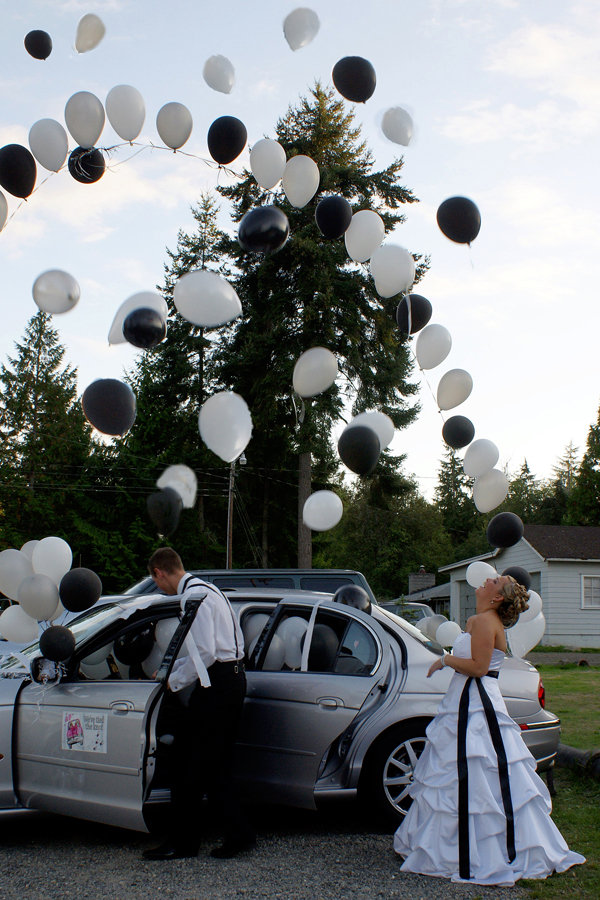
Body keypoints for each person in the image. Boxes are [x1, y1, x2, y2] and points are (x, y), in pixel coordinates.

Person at [394, 574, 585, 886]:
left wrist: (444, 659)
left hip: (477, 702)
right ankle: (453, 845)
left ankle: (483, 849)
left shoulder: (485, 622)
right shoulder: (481, 618)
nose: (487, 580)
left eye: (495, 581)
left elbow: (480, 668)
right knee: (466, 771)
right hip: (468, 698)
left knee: (479, 770)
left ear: (497, 597)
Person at [143, 547, 255, 861]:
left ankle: (183, 843)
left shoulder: (193, 597)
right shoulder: (210, 590)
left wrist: (172, 681)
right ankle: (239, 834)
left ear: (159, 573)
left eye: (156, 581)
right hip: (231, 677)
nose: (159, 588)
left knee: (185, 763)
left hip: (218, 685)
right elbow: (220, 649)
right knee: (215, 765)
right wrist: (173, 672)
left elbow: (205, 652)